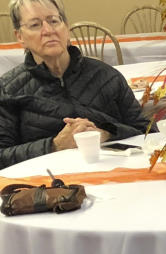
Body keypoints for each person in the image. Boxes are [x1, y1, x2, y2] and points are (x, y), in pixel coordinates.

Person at [0, 0, 151, 169]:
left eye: (54, 21)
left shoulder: (106, 75)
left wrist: (106, 133)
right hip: (46, 187)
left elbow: (147, 132)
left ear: (66, 28)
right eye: (35, 25)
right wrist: (54, 145)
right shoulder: (8, 89)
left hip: (114, 174)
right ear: (20, 36)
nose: (48, 31)